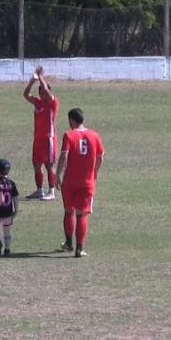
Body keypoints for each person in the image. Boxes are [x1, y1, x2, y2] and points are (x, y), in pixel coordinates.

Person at [55, 108, 105, 258]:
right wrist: (94, 172)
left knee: (69, 210)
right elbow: (101, 157)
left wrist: (57, 174)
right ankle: (79, 248)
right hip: (87, 181)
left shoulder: (69, 135)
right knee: (82, 215)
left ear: (72, 120)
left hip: (70, 181)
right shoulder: (94, 135)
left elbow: (64, 156)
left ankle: (69, 243)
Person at [23, 65, 59, 201]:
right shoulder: (38, 103)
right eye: (41, 92)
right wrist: (32, 81)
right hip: (37, 139)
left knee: (49, 165)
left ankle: (52, 191)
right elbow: (25, 95)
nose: (43, 94)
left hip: (48, 139)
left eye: (45, 91)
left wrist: (41, 78)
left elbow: (48, 93)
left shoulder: (52, 103)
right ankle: (39, 190)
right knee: (36, 164)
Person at [0, 159, 19, 257]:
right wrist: (16, 210)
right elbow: (15, 198)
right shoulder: (11, 183)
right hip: (8, 211)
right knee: (7, 231)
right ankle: (7, 250)